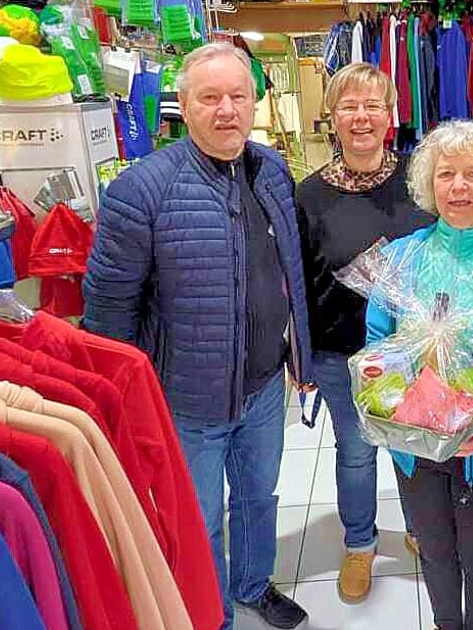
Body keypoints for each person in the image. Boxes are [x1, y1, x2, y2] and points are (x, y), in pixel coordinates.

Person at [83, 42, 315, 630]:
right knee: (199, 518)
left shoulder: (272, 171)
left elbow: (290, 269)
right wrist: (118, 408)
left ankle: (254, 585)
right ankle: (212, 613)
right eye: (209, 97)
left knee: (260, 499)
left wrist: (301, 357)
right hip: (188, 401)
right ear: (183, 107)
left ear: (254, 102)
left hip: (265, 387)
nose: (226, 109)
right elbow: (109, 312)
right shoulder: (140, 190)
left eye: (238, 96)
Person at [366, 121, 473, 630]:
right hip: (415, 446)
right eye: (446, 175)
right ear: (428, 185)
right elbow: (377, 349)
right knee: (436, 553)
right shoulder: (400, 260)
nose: (459, 187)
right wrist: (397, 404)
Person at [296, 62, 432, 603]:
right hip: (340, 350)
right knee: (356, 450)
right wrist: (300, 356)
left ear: (390, 115)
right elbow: (299, 278)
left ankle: (422, 530)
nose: (361, 117)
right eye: (349, 106)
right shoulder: (308, 194)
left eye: (372, 105)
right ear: (332, 117)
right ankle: (360, 545)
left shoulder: (418, 182)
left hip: (409, 347)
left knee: (414, 446)